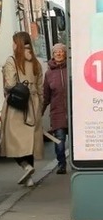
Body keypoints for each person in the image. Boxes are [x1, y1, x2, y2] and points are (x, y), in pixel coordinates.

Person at [0, 31, 44, 186]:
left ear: (16, 44)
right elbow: (40, 88)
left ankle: (26, 166)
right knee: (29, 142)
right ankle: (29, 177)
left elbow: (10, 84)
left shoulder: (12, 61)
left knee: (11, 141)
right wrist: (40, 106)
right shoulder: (36, 62)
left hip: (17, 105)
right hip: (34, 102)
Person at [42, 43, 68, 174]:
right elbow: (45, 96)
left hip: (73, 112)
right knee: (60, 140)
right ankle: (61, 164)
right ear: (52, 55)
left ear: (65, 53)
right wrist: (39, 113)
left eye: (61, 51)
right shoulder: (48, 74)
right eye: (56, 52)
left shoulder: (71, 69)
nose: (58, 54)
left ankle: (77, 162)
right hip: (57, 112)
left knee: (77, 140)